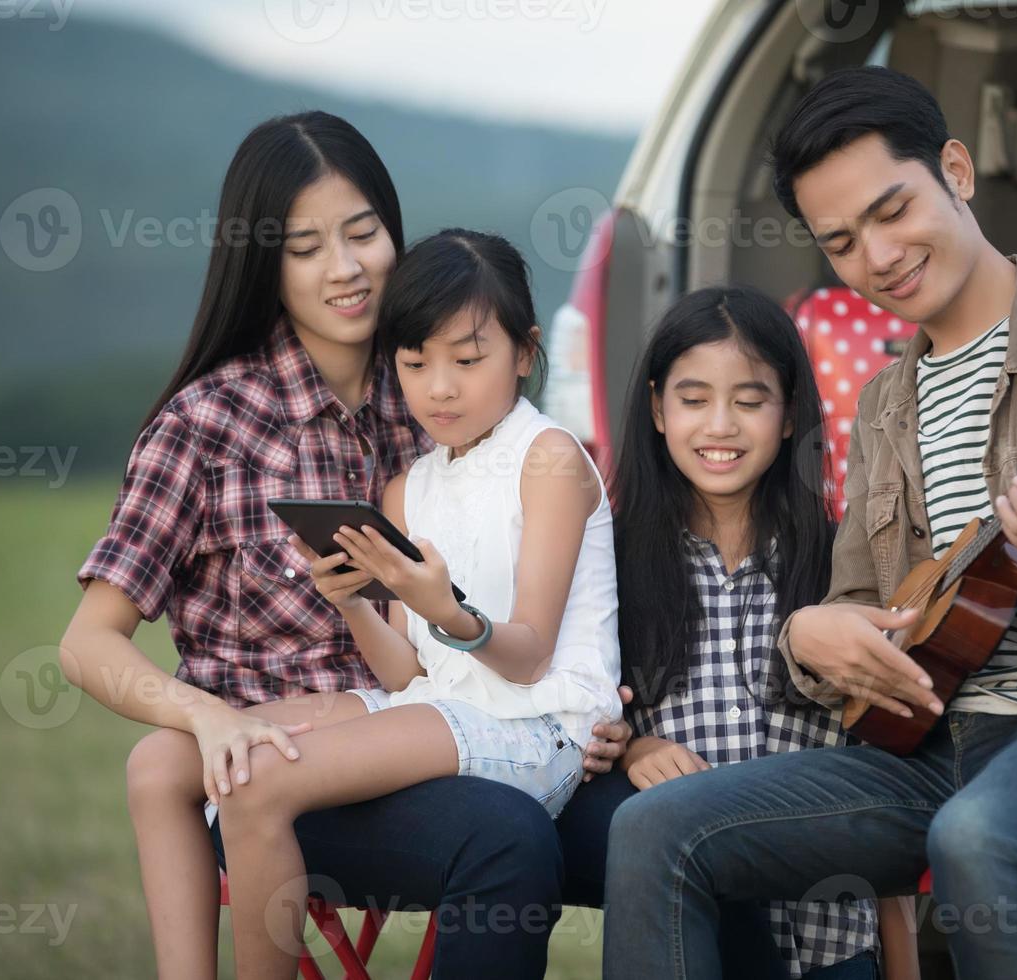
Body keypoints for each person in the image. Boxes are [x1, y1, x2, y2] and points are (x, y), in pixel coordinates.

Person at [602, 66, 1017, 980]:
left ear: (956, 171)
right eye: (841, 242)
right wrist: (812, 633)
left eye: (893, 211)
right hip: (925, 746)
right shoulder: (886, 401)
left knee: (976, 834)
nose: (877, 256)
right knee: (653, 825)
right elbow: (854, 603)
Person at [60, 112, 626, 980]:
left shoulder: (445, 401)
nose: (346, 267)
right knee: (500, 836)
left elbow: (553, 585)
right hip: (281, 766)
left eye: (363, 232)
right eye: (305, 246)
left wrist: (616, 711)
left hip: (458, 726)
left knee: (659, 826)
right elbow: (87, 642)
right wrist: (205, 714)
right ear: (263, 264)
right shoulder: (207, 425)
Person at [557, 285, 918, 980]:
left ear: (789, 417)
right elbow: (579, 728)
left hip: (829, 950)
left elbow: (886, 774)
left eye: (750, 402)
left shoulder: (846, 569)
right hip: (687, 947)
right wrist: (634, 747)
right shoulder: (608, 570)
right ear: (658, 408)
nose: (720, 426)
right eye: (693, 400)